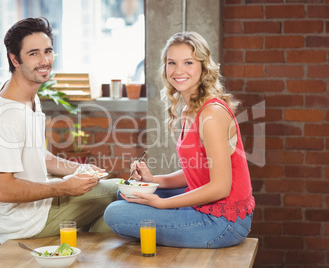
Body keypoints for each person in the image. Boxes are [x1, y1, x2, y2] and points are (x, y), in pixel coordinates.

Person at [104, 32, 255, 248]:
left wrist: (163, 204)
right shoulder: (191, 109)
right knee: (127, 192)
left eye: (188, 63)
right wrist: (154, 180)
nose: (178, 71)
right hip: (207, 207)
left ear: (203, 67)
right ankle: (176, 217)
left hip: (223, 224)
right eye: (171, 63)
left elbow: (221, 187)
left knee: (115, 214)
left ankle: (176, 218)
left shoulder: (211, 114)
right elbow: (199, 170)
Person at [0, 17, 118, 244]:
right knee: (121, 194)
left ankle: (80, 249)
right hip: (25, 224)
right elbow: (0, 189)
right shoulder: (8, 115)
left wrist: (79, 168)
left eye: (48, 51)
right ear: (15, 59)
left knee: (113, 209)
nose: (44, 61)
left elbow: (39, 157)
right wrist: (62, 187)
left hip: (40, 209)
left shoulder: (26, 94)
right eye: (33, 53)